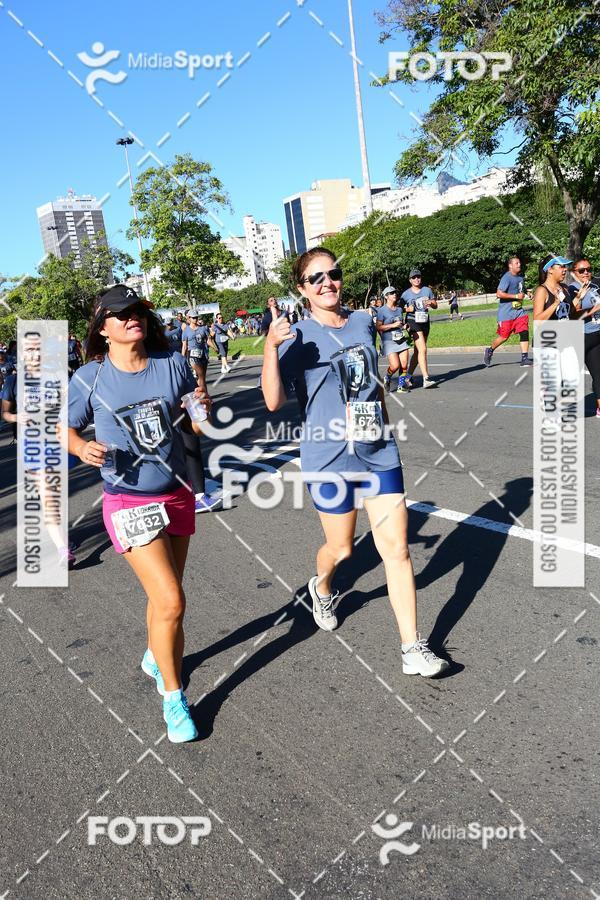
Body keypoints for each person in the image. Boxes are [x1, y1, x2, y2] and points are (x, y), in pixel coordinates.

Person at [261, 247, 448, 677]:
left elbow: (371, 383)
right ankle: (321, 587)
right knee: (342, 548)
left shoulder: (363, 321)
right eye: (316, 278)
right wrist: (271, 347)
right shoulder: (298, 335)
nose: (328, 282)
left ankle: (412, 647)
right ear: (302, 289)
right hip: (328, 457)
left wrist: (381, 422)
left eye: (334, 273)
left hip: (377, 450)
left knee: (397, 550)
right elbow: (273, 401)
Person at [68, 284, 210, 743]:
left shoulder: (170, 365)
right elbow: (63, 427)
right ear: (103, 328)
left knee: (166, 595)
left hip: (176, 493)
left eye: (138, 311)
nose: (133, 318)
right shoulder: (89, 378)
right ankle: (173, 697)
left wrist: (200, 408)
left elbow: (194, 415)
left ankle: (156, 651)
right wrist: (80, 446)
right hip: (129, 501)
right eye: (121, 313)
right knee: (171, 601)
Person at [179, 311, 221, 513]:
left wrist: (217, 350)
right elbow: (185, 347)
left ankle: (198, 494)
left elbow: (208, 341)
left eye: (197, 317)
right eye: (193, 318)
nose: (195, 320)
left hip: (203, 358)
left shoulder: (203, 329)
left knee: (202, 384)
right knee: (199, 381)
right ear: (188, 319)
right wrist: (181, 358)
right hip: (191, 360)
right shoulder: (185, 331)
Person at [483, 256, 533, 367]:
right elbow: (499, 293)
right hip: (506, 314)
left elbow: (521, 290)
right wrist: (516, 296)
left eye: (519, 262)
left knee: (524, 330)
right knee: (504, 337)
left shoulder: (520, 278)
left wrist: (528, 293)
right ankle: (490, 350)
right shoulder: (507, 277)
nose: (519, 264)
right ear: (510, 266)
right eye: (516, 263)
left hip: (518, 311)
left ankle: (524, 358)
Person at [567, 258, 600, 418]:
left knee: (598, 373)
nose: (586, 272)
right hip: (584, 337)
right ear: (574, 273)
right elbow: (573, 315)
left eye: (588, 269)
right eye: (582, 270)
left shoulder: (594, 285)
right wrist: (595, 308)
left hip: (597, 333)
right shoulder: (572, 289)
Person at [401, 269, 438, 389]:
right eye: (414, 277)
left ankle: (408, 377)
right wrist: (407, 310)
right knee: (423, 349)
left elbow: (435, 305)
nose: (417, 279)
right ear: (410, 280)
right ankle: (426, 379)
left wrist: (431, 304)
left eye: (418, 277)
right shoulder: (406, 294)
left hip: (425, 321)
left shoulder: (427, 290)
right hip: (412, 321)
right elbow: (398, 309)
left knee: (418, 351)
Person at [377, 286, 412, 393]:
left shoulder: (399, 309)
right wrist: (392, 325)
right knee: (395, 365)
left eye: (395, 292)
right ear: (386, 296)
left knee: (404, 364)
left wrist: (404, 326)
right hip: (389, 341)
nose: (394, 295)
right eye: (391, 293)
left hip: (401, 339)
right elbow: (378, 327)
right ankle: (387, 377)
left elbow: (400, 324)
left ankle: (401, 386)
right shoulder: (382, 311)